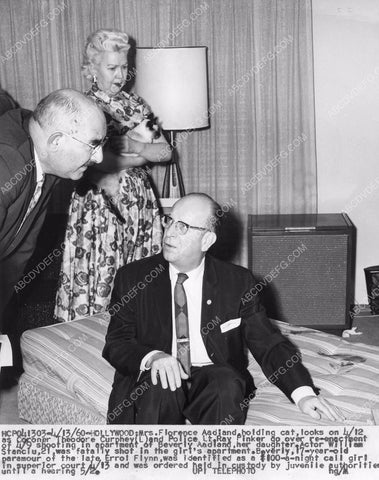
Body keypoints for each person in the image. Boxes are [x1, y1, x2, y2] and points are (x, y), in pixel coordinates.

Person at [103, 193, 345, 425]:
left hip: (210, 379)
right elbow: (116, 343)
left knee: (227, 383)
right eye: (169, 221)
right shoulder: (133, 278)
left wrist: (303, 393)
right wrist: (153, 357)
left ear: (207, 240)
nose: (170, 232)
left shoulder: (237, 282)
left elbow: (267, 342)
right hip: (155, 379)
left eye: (183, 226)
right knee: (159, 385)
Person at [55, 28, 171, 322]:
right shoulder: (81, 107)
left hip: (140, 204)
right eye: (111, 67)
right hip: (100, 205)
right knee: (102, 273)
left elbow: (166, 152)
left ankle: (141, 335)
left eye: (124, 66)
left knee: (141, 272)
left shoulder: (138, 105)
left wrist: (133, 145)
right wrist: (137, 155)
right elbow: (94, 162)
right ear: (92, 68)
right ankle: (93, 338)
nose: (120, 75)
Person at [0, 88, 106, 330]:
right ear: (57, 141)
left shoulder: (45, 155)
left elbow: (21, 251)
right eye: (93, 144)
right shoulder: (6, 163)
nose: (99, 158)